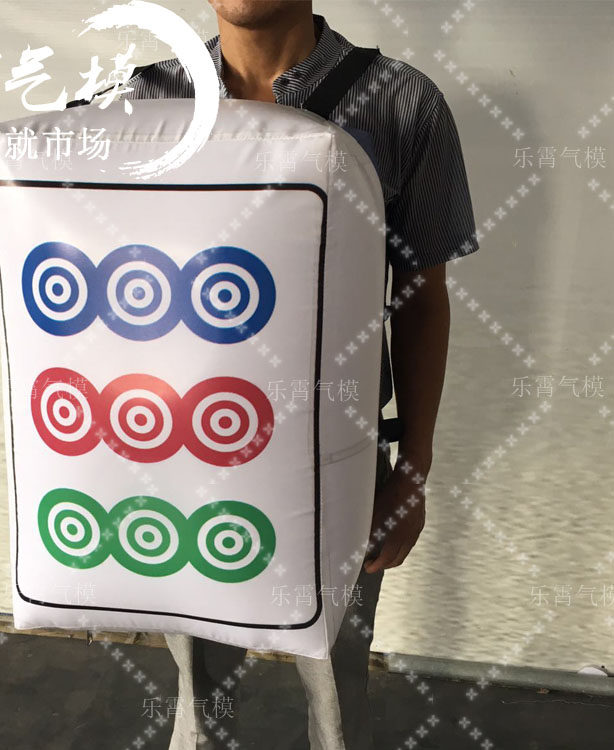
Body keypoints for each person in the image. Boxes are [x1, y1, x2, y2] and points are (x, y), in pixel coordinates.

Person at [120, 2, 480, 747]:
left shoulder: (400, 103)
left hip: (337, 457)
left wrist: (412, 470)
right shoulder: (146, 103)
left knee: (336, 673)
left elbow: (420, 298)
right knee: (199, 678)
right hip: (184, 451)